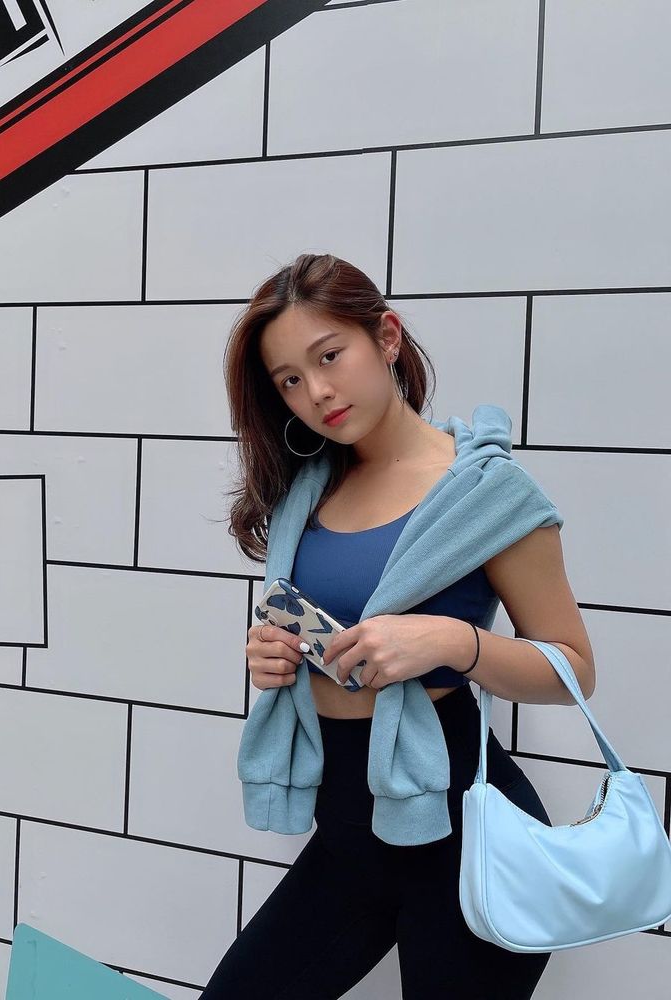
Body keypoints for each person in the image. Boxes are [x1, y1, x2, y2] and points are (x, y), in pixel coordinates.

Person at [203, 253, 596, 998]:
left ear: (386, 337)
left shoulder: (487, 493)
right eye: (289, 379)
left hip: (460, 837)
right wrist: (274, 655)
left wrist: (453, 643)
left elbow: (574, 668)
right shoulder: (307, 492)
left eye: (329, 356)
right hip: (350, 827)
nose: (317, 392)